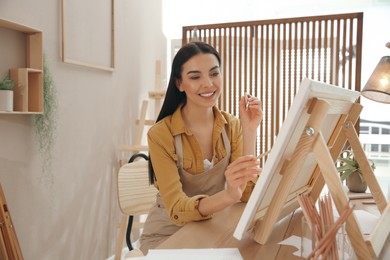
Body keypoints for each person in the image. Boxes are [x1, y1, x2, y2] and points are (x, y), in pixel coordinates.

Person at [139, 41, 263, 254]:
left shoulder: (231, 125)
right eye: (195, 77)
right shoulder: (161, 134)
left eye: (214, 74)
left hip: (210, 225)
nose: (208, 84)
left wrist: (249, 130)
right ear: (179, 84)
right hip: (168, 233)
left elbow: (246, 194)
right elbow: (177, 208)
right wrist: (227, 196)